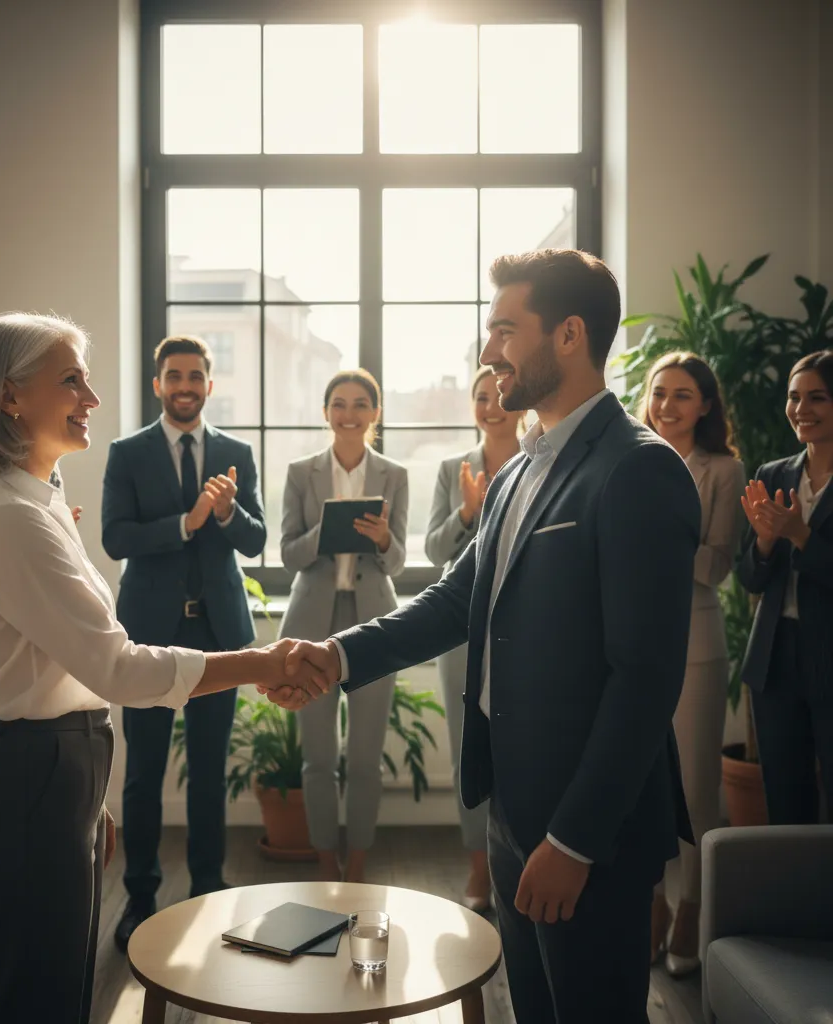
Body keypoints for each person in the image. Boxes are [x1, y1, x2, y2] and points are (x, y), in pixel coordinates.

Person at [277, 250, 700, 1024]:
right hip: (511, 811)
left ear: (569, 335)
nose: (487, 353)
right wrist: (334, 657)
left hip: (586, 834)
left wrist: (573, 841)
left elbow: (644, 679)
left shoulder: (639, 471)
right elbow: (451, 603)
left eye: (505, 330)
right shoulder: (514, 474)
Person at [0, 313, 323, 1024]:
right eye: (71, 380)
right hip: (31, 777)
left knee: (54, 991)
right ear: (11, 397)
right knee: (32, 998)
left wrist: (87, 791)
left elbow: (68, 661)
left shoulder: (37, 503)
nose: (92, 396)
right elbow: (115, 664)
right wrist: (262, 661)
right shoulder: (9, 517)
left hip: (56, 768)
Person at [102, 334, 267, 951]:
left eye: (195, 376)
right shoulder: (127, 453)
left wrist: (224, 516)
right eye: (174, 375)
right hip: (148, 636)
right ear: (158, 384)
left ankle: (207, 894)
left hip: (217, 634)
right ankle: (139, 901)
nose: (185, 386)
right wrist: (186, 523)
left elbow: (254, 540)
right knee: (142, 775)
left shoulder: (236, 452)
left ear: (209, 384)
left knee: (207, 772)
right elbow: (116, 538)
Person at [639, 352, 746, 976]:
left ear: (704, 405)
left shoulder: (723, 470)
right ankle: (651, 904)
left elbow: (716, 566)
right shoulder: (630, 459)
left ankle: (691, 909)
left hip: (697, 645)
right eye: (659, 393)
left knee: (697, 790)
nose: (668, 406)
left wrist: (658, 542)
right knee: (640, 783)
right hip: (630, 645)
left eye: (683, 395)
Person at [279, 369, 408, 883]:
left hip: (374, 620)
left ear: (374, 413)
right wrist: (325, 532)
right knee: (317, 757)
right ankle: (322, 860)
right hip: (312, 620)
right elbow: (289, 553)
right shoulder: (300, 472)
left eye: (359, 404)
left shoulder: (394, 474)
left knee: (364, 758)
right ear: (326, 411)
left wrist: (380, 540)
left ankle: (356, 863)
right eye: (339, 403)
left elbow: (397, 562)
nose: (348, 414)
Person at [425, 365, 523, 912]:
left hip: (526, 624)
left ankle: (518, 861)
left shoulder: (540, 459)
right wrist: (468, 509)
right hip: (462, 625)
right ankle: (478, 869)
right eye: (480, 397)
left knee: (519, 746)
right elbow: (437, 549)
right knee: (470, 749)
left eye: (498, 395)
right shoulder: (451, 467)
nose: (491, 406)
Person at [739, 349, 833, 827]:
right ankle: (792, 900)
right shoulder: (772, 475)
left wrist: (800, 535)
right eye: (794, 397)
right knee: (784, 800)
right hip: (775, 659)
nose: (801, 409)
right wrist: (764, 541)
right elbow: (749, 577)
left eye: (817, 397)